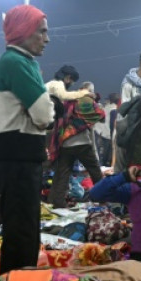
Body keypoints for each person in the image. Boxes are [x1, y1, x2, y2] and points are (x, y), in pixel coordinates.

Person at [0, 4, 55, 273]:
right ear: (24, 31)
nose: (46, 39)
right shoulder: (16, 62)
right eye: (41, 31)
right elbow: (44, 115)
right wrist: (50, 107)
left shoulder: (21, 62)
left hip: (17, 155)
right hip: (17, 157)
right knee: (22, 230)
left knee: (22, 226)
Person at [48, 80, 105, 208]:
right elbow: (100, 115)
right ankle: (104, 197)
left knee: (63, 173)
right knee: (95, 171)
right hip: (82, 142)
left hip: (65, 143)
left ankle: (58, 202)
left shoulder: (66, 102)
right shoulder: (85, 101)